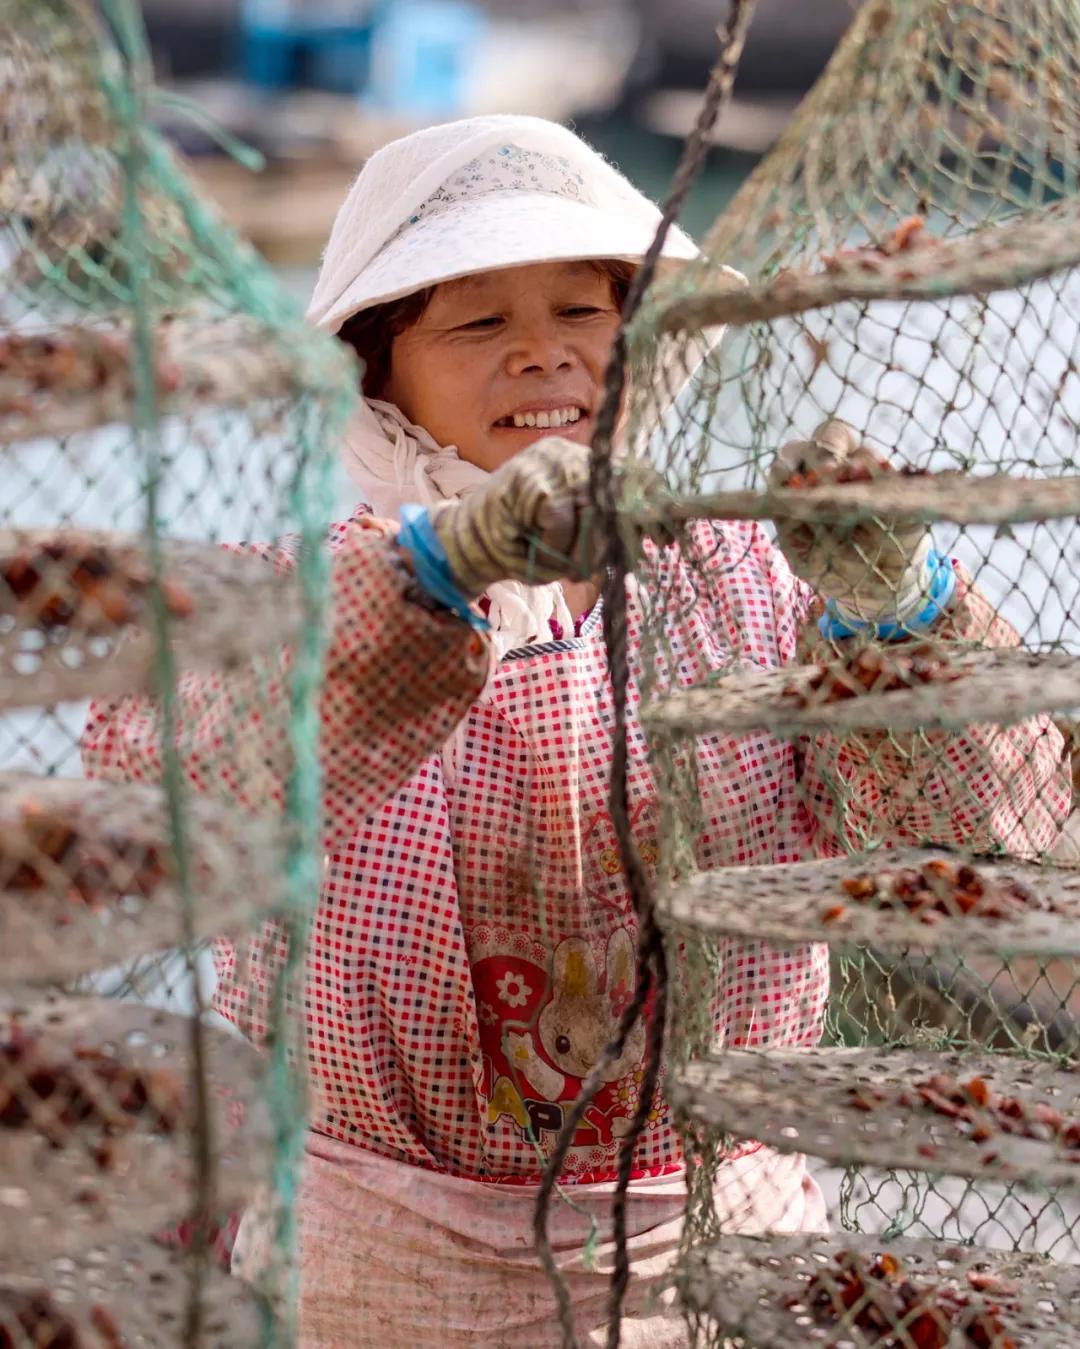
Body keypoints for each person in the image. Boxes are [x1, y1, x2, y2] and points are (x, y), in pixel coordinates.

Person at [83, 115, 1070, 1347]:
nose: (541, 357)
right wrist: (450, 570)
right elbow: (180, 779)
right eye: (479, 323)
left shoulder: (754, 582)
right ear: (375, 377)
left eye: (584, 315)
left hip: (708, 1234)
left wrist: (899, 611)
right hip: (375, 1246)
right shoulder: (294, 596)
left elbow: (983, 839)